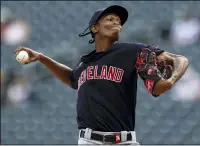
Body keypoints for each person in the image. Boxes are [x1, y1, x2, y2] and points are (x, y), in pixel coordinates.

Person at [14, 5, 189, 145]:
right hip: (89, 141)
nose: (117, 23)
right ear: (95, 27)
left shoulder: (132, 51)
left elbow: (179, 59)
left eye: (119, 21)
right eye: (110, 19)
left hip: (124, 141)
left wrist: (172, 79)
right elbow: (71, 78)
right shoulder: (86, 62)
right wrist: (42, 58)